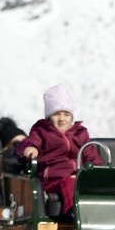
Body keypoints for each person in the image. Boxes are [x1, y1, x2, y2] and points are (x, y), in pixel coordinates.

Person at [16, 84, 103, 214]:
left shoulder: (80, 133)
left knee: (91, 185)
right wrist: (30, 148)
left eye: (66, 114)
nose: (62, 119)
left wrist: (88, 171)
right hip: (53, 180)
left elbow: (91, 155)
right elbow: (30, 141)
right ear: (49, 117)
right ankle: (74, 212)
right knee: (69, 184)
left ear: (71, 117)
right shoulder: (42, 131)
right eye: (56, 114)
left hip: (78, 177)